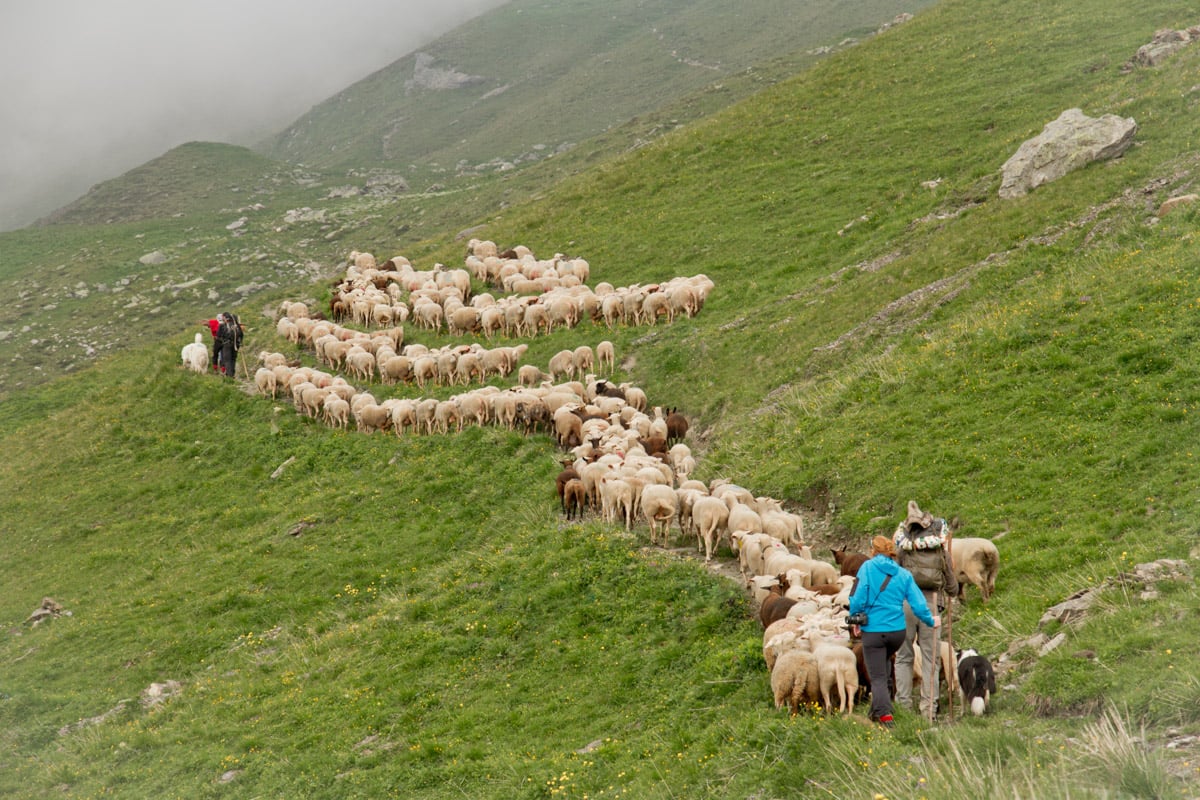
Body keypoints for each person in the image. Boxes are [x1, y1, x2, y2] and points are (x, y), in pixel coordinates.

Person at [847, 534, 939, 728]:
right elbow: (918, 603)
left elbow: (857, 597)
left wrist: (856, 617)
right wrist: (931, 620)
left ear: (874, 551)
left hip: (873, 631)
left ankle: (885, 716)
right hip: (897, 632)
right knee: (886, 667)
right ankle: (878, 709)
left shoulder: (867, 568)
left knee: (878, 676)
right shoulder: (903, 574)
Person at [893, 501, 959, 721]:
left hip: (905, 605)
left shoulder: (904, 546)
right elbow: (952, 586)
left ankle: (903, 708)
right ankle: (928, 712)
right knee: (931, 658)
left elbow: (897, 572)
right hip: (931, 604)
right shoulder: (940, 548)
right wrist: (951, 589)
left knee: (903, 656)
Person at [214, 311, 244, 379]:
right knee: (233, 359)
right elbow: (241, 334)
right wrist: (240, 343)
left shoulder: (222, 325)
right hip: (236, 344)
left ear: (224, 317)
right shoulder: (236, 325)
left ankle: (229, 376)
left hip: (227, 344)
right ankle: (232, 374)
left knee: (227, 360)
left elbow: (218, 336)